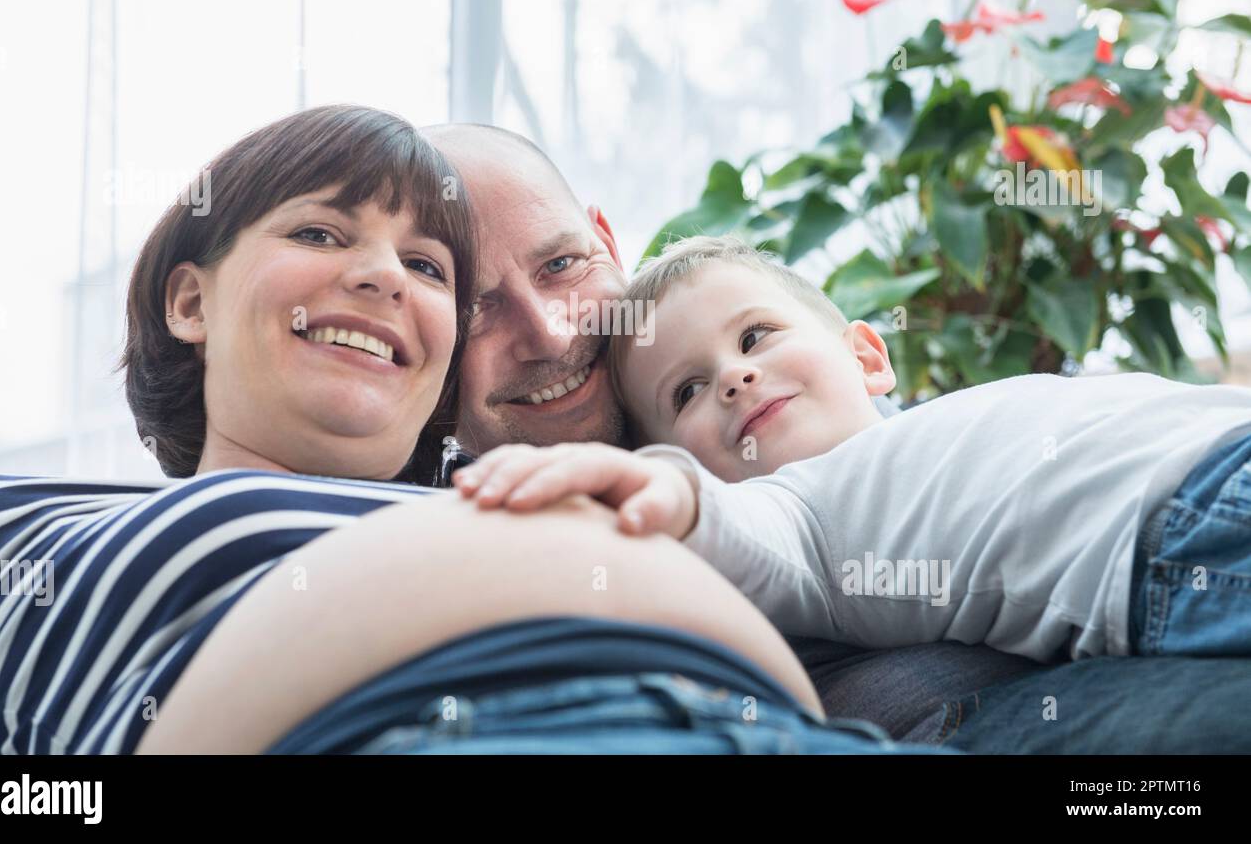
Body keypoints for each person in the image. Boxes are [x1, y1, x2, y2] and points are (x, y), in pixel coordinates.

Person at [0, 106, 942, 755]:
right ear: (189, 300)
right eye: (319, 234)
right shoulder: (3, 525)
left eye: (427, 269)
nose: (385, 276)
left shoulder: (717, 439)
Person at [458, 233, 1251, 665]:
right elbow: (738, 538)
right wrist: (669, 494)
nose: (733, 376)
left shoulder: (938, 420)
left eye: (756, 336)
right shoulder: (795, 513)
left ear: (868, 357)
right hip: (1180, 541)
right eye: (686, 392)